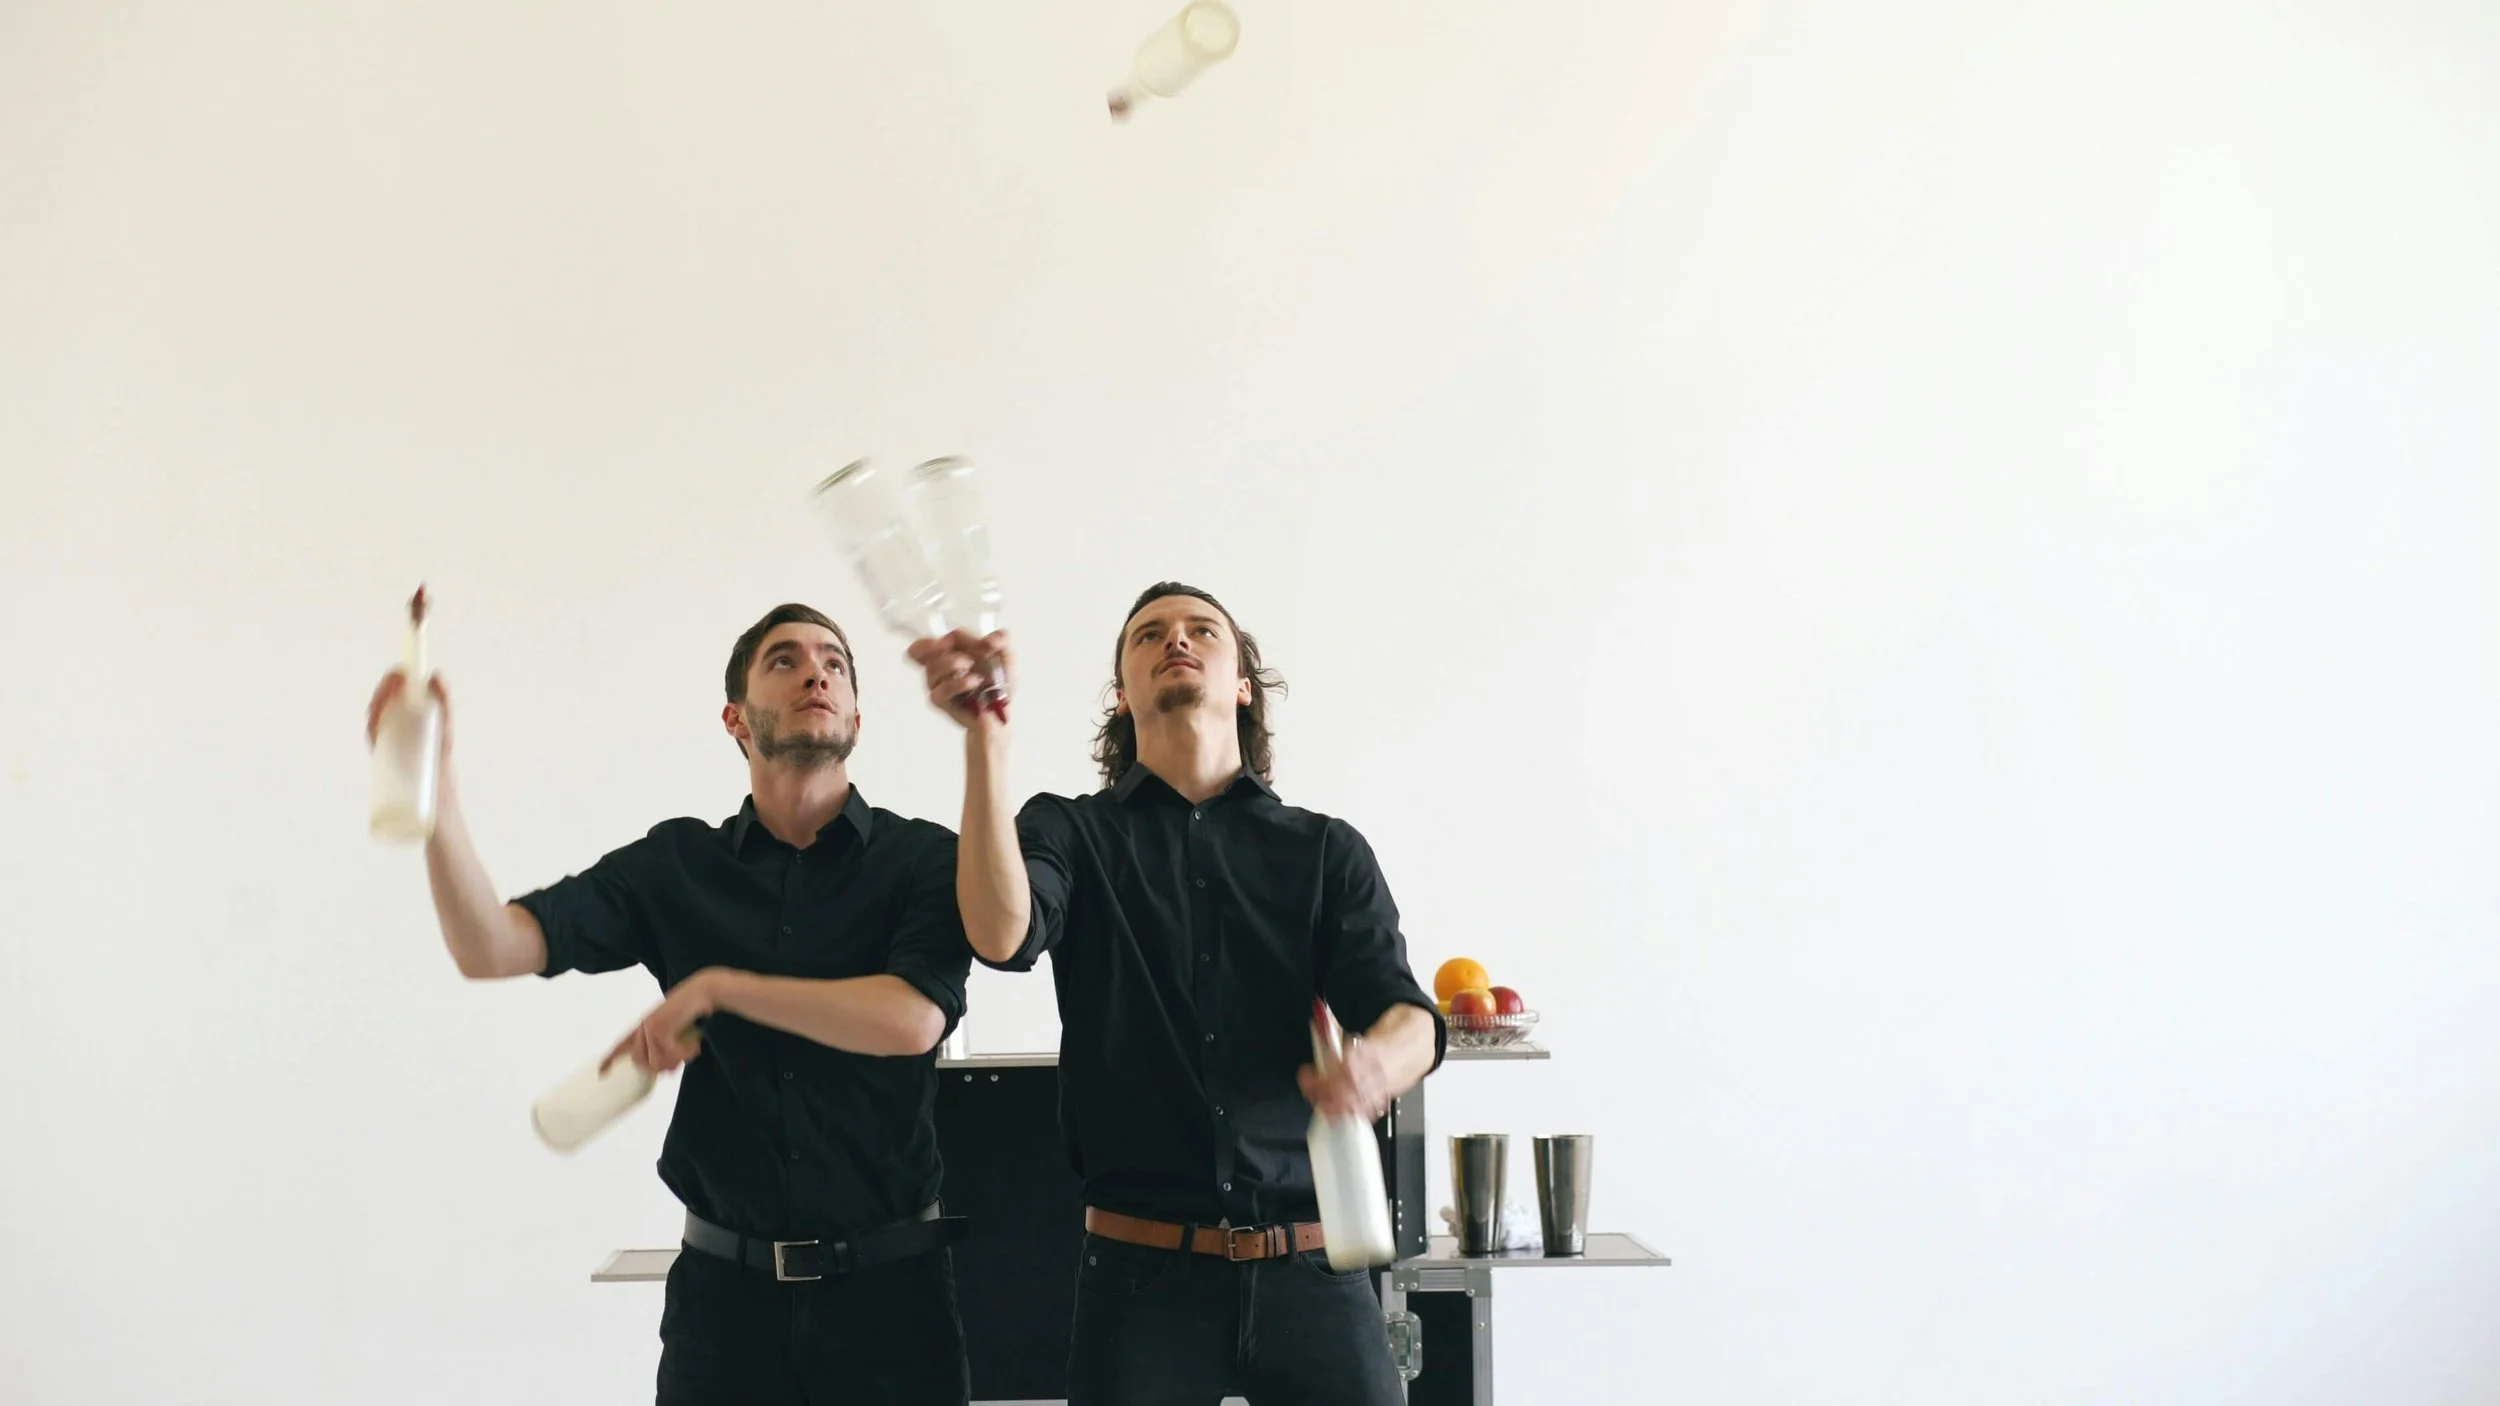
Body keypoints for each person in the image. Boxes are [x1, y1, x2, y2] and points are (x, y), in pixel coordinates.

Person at [368, 603, 974, 1406]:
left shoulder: (925, 859)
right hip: (726, 1310)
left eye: (834, 662)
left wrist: (720, 987)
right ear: (735, 718)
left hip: (893, 1303)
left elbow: (911, 1020)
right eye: (784, 660)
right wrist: (435, 790)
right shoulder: (675, 865)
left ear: (858, 715)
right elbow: (491, 947)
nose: (816, 673)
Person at [910, 582, 1443, 1406]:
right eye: (1149, 635)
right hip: (1140, 1278)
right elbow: (999, 933)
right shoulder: (1070, 832)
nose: (1176, 639)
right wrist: (985, 742)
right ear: (1123, 695)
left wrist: (1378, 1065)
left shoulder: (1326, 851)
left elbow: (1408, 1015)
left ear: (1242, 686)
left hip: (1314, 1270)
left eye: (1202, 630)